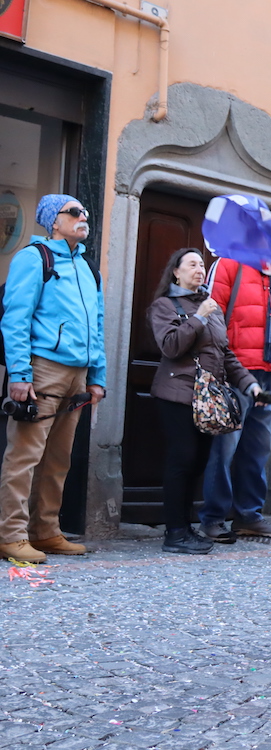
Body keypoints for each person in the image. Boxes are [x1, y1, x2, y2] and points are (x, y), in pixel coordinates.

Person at [0, 194, 106, 563]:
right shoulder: (34, 258)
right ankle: (11, 534)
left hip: (78, 375)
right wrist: (19, 373)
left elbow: (98, 327)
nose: (83, 216)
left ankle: (44, 531)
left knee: (59, 458)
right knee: (25, 455)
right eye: (74, 212)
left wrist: (97, 377)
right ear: (53, 222)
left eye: (84, 212)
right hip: (43, 368)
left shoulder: (89, 269)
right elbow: (15, 318)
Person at [148, 249, 261, 554]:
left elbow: (224, 353)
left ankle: (185, 528)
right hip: (176, 394)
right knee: (182, 459)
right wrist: (198, 318)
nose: (199, 269)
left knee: (197, 462)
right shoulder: (164, 306)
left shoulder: (211, 307)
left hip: (206, 399)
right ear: (176, 272)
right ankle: (174, 532)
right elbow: (171, 346)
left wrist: (249, 384)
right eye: (192, 264)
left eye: (201, 264)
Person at [198, 259, 271, 543]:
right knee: (224, 450)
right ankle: (213, 518)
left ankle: (249, 516)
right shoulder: (228, 264)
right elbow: (212, 316)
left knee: (258, 450)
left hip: (267, 373)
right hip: (235, 371)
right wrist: (218, 368)